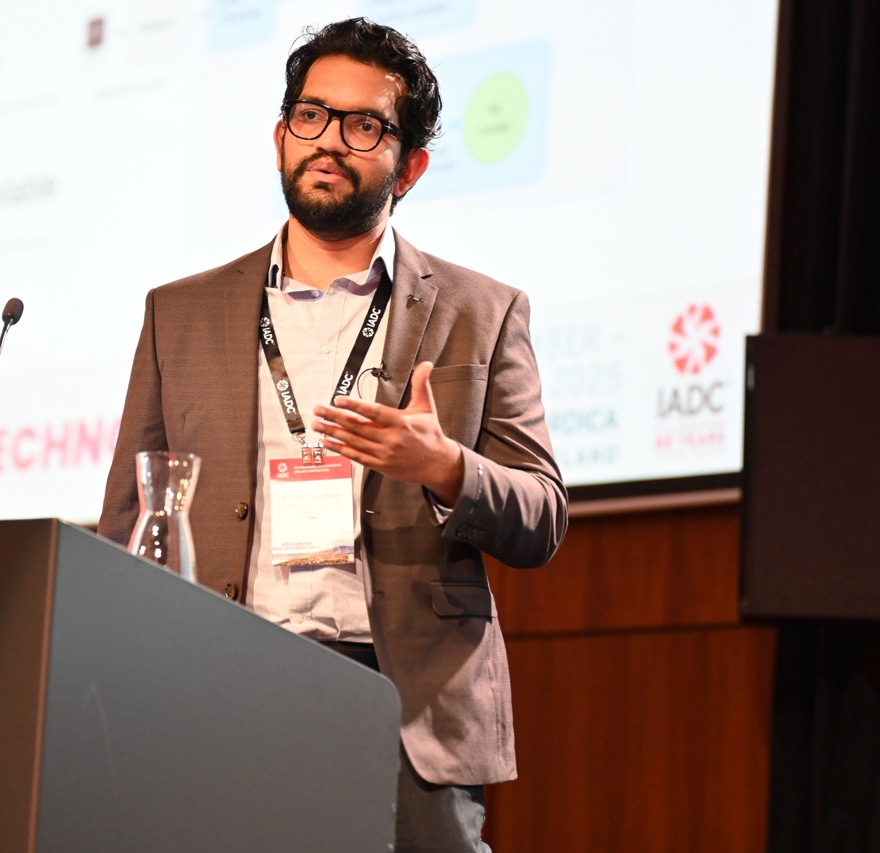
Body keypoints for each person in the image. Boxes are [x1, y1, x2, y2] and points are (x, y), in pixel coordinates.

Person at [99, 17, 568, 852]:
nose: (329, 141)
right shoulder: (180, 312)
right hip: (219, 688)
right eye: (312, 116)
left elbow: (542, 515)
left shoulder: (483, 312)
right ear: (281, 135)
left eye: (364, 126)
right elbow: (128, 521)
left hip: (405, 706)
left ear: (410, 166)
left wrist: (445, 468)